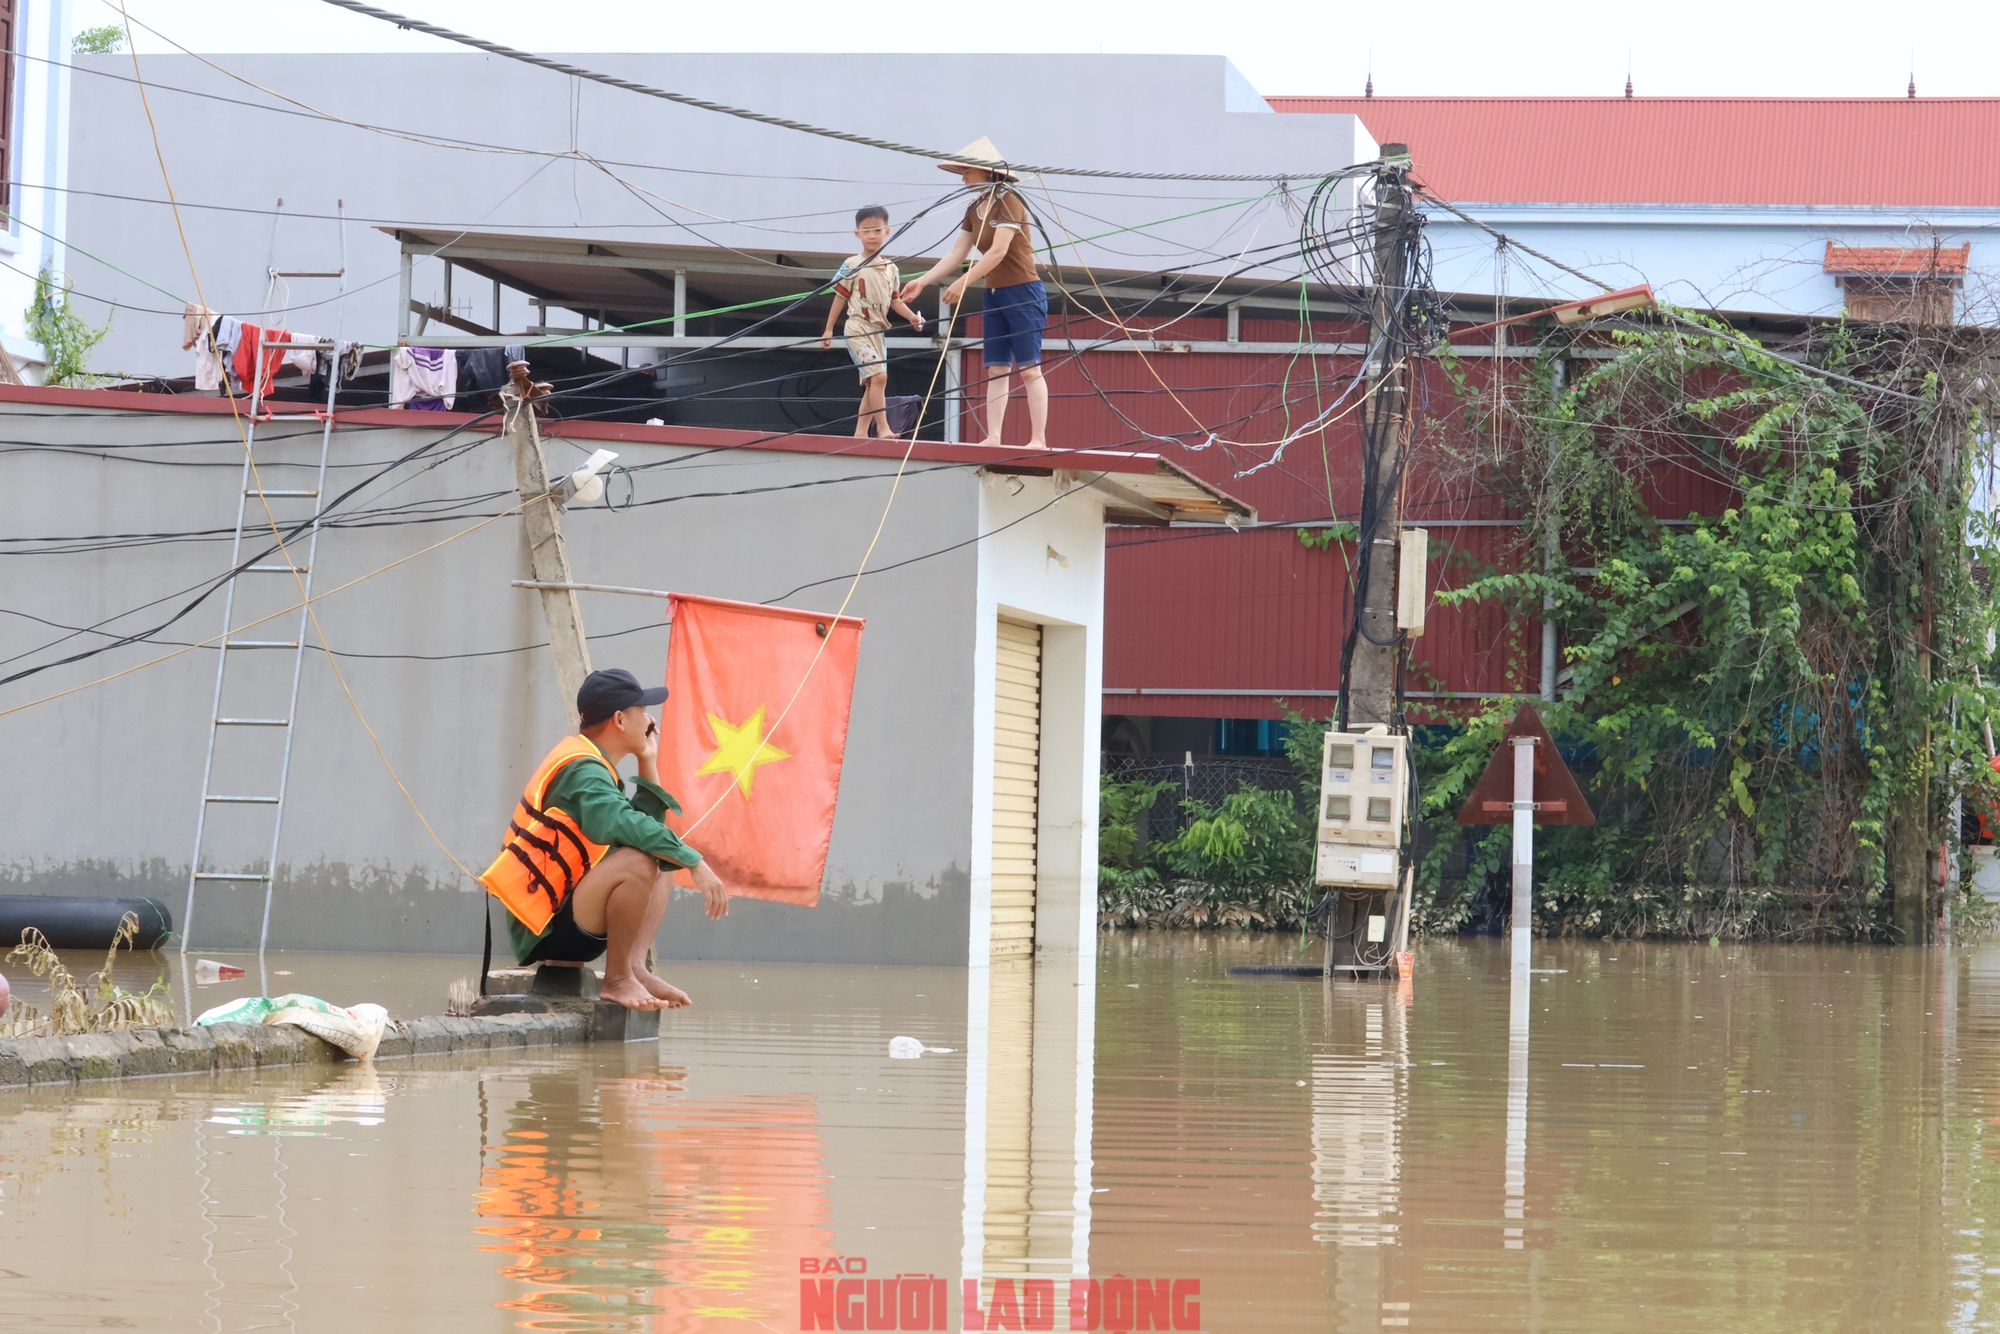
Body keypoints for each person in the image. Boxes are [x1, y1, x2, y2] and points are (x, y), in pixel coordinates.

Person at [479, 668, 730, 1012]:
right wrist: (695, 861)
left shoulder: (594, 765)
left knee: (660, 858)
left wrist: (647, 760)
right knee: (640, 862)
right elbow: (620, 821)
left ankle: (635, 969)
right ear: (619, 720)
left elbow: (645, 828)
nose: (650, 718)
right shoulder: (582, 769)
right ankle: (617, 980)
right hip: (546, 928)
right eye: (641, 710)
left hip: (568, 912)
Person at [898, 137, 1048, 449]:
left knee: (1029, 369)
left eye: (968, 171)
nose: (964, 177)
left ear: (987, 172)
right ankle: (994, 435)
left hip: (1023, 292)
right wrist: (923, 281)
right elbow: (955, 254)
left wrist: (962, 282)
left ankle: (1038, 439)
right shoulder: (973, 208)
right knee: (997, 368)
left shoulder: (1010, 201)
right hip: (994, 293)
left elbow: (997, 253)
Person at [821, 205, 925, 438]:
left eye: (877, 230)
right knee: (879, 377)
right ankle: (883, 428)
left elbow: (895, 301)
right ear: (857, 233)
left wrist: (912, 317)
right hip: (857, 327)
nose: (871, 235)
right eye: (866, 230)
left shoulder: (892, 269)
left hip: (878, 332)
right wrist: (828, 329)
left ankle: (860, 432)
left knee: (873, 382)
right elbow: (840, 297)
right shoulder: (851, 264)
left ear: (887, 232)